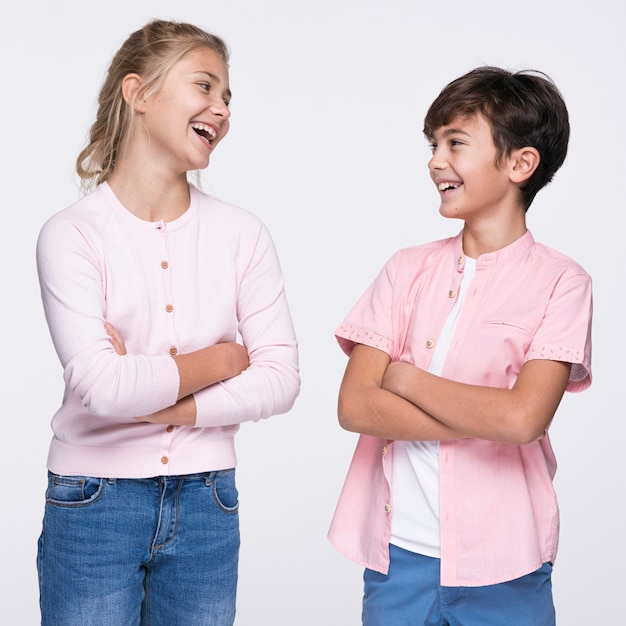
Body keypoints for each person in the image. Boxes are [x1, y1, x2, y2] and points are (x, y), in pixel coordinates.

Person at [35, 19, 300, 626]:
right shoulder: (72, 235)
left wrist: (164, 401)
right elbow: (101, 388)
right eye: (205, 87)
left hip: (209, 499)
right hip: (93, 501)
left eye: (228, 96)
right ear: (139, 92)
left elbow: (282, 379)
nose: (222, 109)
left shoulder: (242, 234)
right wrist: (225, 361)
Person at [328, 66, 592, 625]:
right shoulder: (405, 270)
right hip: (400, 557)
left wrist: (406, 380)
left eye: (455, 143)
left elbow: (523, 420)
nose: (435, 161)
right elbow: (355, 406)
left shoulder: (563, 283)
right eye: (433, 144)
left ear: (520, 163)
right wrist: (488, 415)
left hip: (507, 561)